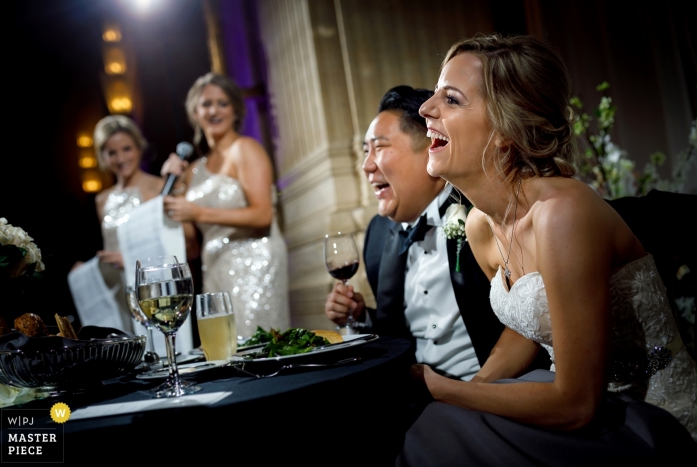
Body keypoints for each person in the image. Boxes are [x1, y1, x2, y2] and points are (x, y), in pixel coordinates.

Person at [398, 34, 697, 465]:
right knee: (441, 427)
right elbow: (530, 323)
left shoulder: (563, 213)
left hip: (648, 423)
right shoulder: (480, 228)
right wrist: (477, 387)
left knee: (437, 433)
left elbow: (577, 405)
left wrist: (448, 388)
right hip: (582, 414)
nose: (426, 109)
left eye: (451, 100)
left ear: (505, 131)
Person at [325, 85, 510, 381]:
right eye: (365, 151)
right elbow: (393, 331)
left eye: (380, 148)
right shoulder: (378, 233)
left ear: (431, 146)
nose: (366, 165)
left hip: (490, 385)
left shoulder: (484, 211)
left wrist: (474, 391)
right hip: (412, 392)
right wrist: (361, 317)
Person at [161, 72, 289, 340]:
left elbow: (263, 215)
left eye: (223, 103)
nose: (214, 110)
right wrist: (171, 185)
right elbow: (189, 243)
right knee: (224, 347)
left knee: (255, 343)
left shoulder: (245, 149)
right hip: (214, 266)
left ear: (235, 111)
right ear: (195, 112)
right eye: (206, 104)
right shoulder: (193, 170)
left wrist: (198, 212)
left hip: (254, 260)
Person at [92, 115, 164, 332]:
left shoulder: (158, 188)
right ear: (102, 156)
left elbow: (170, 247)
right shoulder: (102, 199)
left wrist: (129, 260)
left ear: (139, 148)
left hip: (151, 288)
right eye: (112, 152)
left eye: (126, 148)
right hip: (117, 290)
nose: (120, 157)